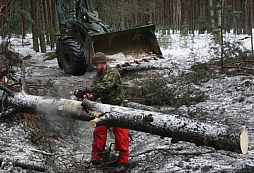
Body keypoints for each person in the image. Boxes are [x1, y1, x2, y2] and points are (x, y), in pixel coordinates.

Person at [82, 52, 129, 172]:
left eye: (96, 65)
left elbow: (105, 86)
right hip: (105, 108)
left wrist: (88, 89)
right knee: (99, 131)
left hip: (118, 108)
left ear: (103, 63)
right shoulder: (98, 75)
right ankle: (95, 158)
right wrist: (89, 96)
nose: (95, 67)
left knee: (121, 135)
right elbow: (98, 91)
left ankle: (123, 162)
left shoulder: (112, 73)